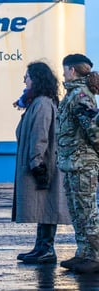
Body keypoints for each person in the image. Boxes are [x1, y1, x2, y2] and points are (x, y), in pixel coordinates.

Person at [12, 61, 71, 264]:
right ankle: (41, 246)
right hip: (42, 161)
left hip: (43, 163)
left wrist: (37, 162)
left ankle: (46, 248)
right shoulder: (39, 102)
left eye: (27, 76)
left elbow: (40, 135)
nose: (24, 79)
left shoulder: (42, 104)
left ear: (36, 79)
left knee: (47, 204)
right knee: (44, 205)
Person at [56, 53, 99, 274]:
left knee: (87, 213)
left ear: (72, 70)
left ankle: (96, 256)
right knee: (76, 212)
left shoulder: (81, 95)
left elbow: (94, 132)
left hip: (83, 165)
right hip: (72, 163)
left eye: (65, 69)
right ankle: (84, 253)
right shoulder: (72, 95)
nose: (63, 73)